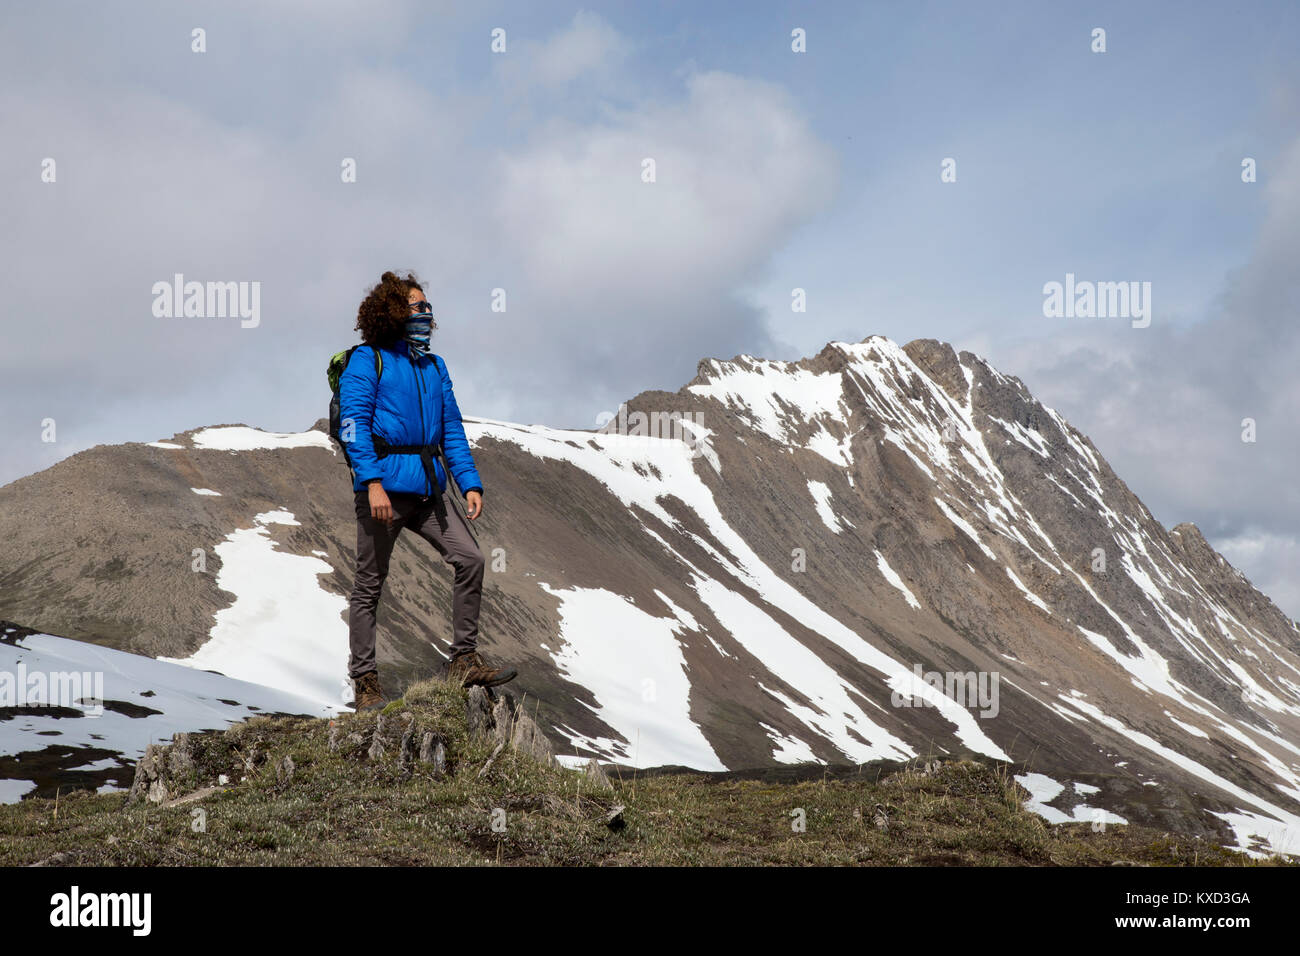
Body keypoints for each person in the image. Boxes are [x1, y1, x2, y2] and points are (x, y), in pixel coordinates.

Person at [339, 271, 517, 710]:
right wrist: (372, 483)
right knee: (369, 585)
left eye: (427, 307)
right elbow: (352, 424)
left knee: (471, 558)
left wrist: (469, 482)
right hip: (383, 490)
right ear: (394, 312)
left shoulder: (435, 367)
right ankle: (365, 683)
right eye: (417, 307)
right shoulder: (368, 360)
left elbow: (451, 429)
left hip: (429, 491)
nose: (427, 313)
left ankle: (463, 659)